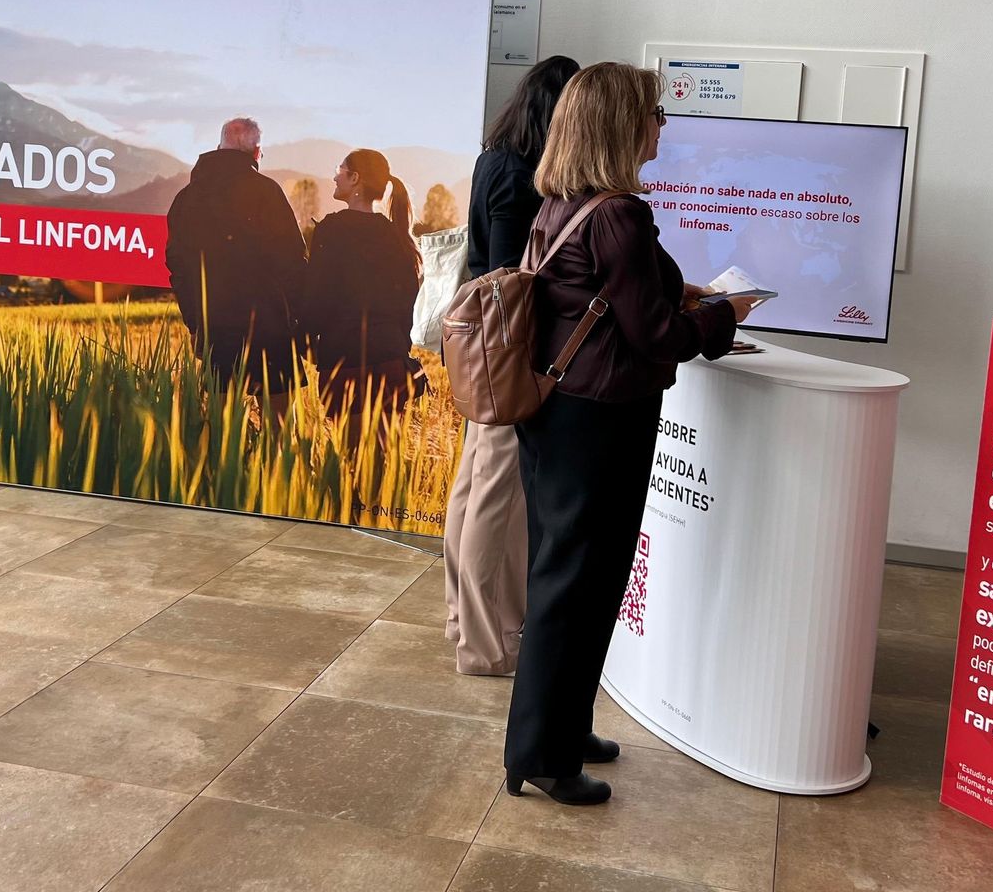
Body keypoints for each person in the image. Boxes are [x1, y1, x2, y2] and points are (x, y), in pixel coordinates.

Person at [502, 62, 755, 806]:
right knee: (574, 585)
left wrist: (683, 294)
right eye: (652, 112)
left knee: (578, 578)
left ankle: (565, 728)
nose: (662, 126)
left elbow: (618, 298)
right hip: (599, 422)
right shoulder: (619, 215)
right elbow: (659, 336)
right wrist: (723, 316)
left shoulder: (563, 204)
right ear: (620, 124)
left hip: (561, 414)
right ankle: (542, 756)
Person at [444, 55, 580, 677]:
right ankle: (482, 644)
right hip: (505, 351)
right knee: (494, 497)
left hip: (480, 350)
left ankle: (466, 621)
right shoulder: (522, 176)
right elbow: (505, 278)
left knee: (472, 487)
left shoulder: (491, 158)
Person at [165, 117, 307, 405]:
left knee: (221, 427)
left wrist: (196, 324)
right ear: (256, 153)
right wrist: (299, 321)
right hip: (271, 325)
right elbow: (293, 260)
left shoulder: (186, 199)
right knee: (278, 431)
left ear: (218, 147)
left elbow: (178, 267)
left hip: (216, 327)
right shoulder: (267, 191)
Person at [301, 148, 424, 417]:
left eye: (339, 171)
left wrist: (306, 342)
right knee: (385, 455)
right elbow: (408, 304)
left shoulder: (331, 230)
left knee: (351, 457)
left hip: (345, 360)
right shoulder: (397, 236)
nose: (335, 178)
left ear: (355, 178)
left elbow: (316, 299)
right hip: (391, 360)